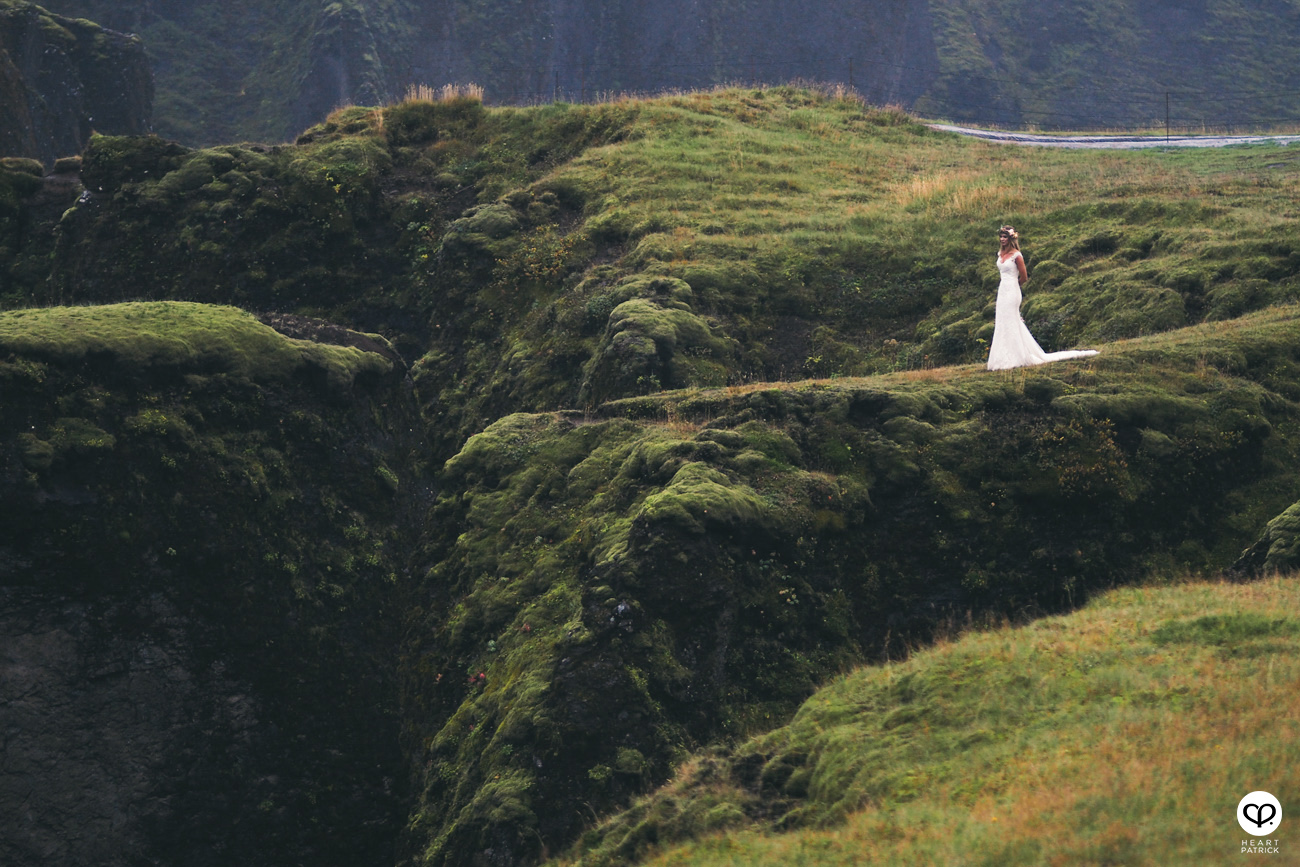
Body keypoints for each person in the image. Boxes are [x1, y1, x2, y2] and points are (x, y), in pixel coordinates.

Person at [987, 225, 1098, 370]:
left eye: (1005, 237)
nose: (1002, 239)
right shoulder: (1000, 254)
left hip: (1012, 291)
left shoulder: (1017, 255)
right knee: (1003, 321)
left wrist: (1013, 286)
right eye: (1001, 236)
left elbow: (1024, 277)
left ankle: (1017, 356)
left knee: (1011, 320)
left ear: (1011, 239)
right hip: (1002, 291)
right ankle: (1002, 356)